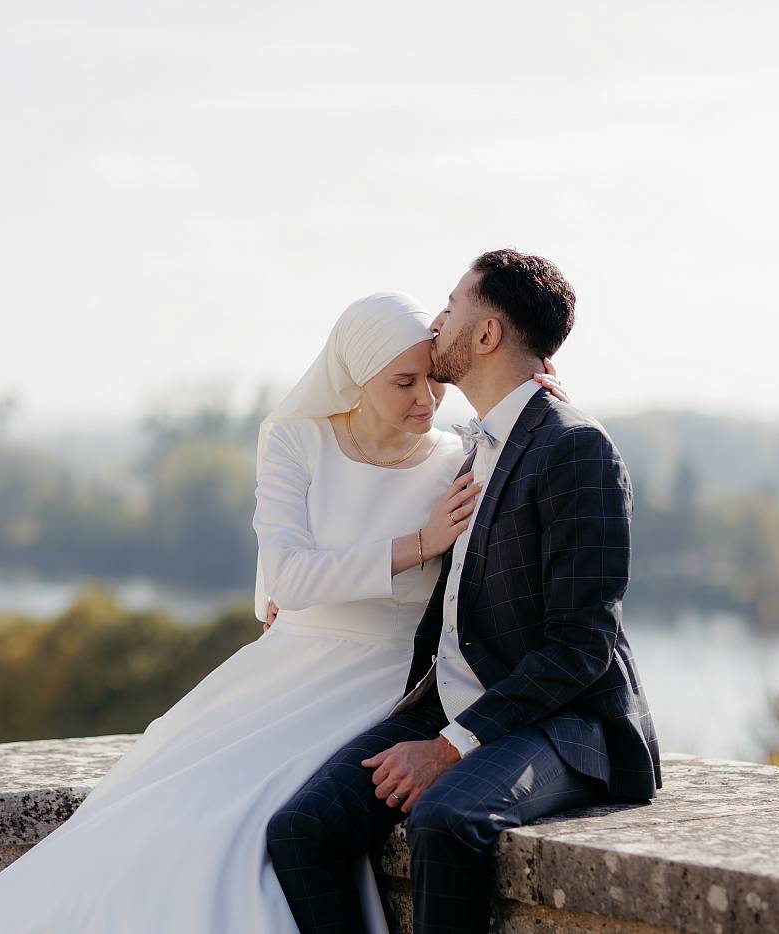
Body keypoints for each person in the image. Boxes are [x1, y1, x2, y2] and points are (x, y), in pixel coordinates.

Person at [0, 291, 562, 932]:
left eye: (434, 382)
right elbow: (289, 576)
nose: (425, 398)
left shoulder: (461, 457)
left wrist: (541, 394)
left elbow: (522, 441)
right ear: (358, 378)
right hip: (286, 667)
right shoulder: (294, 441)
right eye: (403, 382)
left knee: (240, 829)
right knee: (162, 810)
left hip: (385, 681)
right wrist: (418, 545)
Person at [267, 249, 662, 934]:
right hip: (449, 698)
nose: (438, 318)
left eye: (452, 306)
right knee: (304, 829)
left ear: (485, 337)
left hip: (564, 722)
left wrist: (451, 747)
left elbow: (581, 646)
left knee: (445, 821)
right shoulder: (475, 442)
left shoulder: (575, 448)